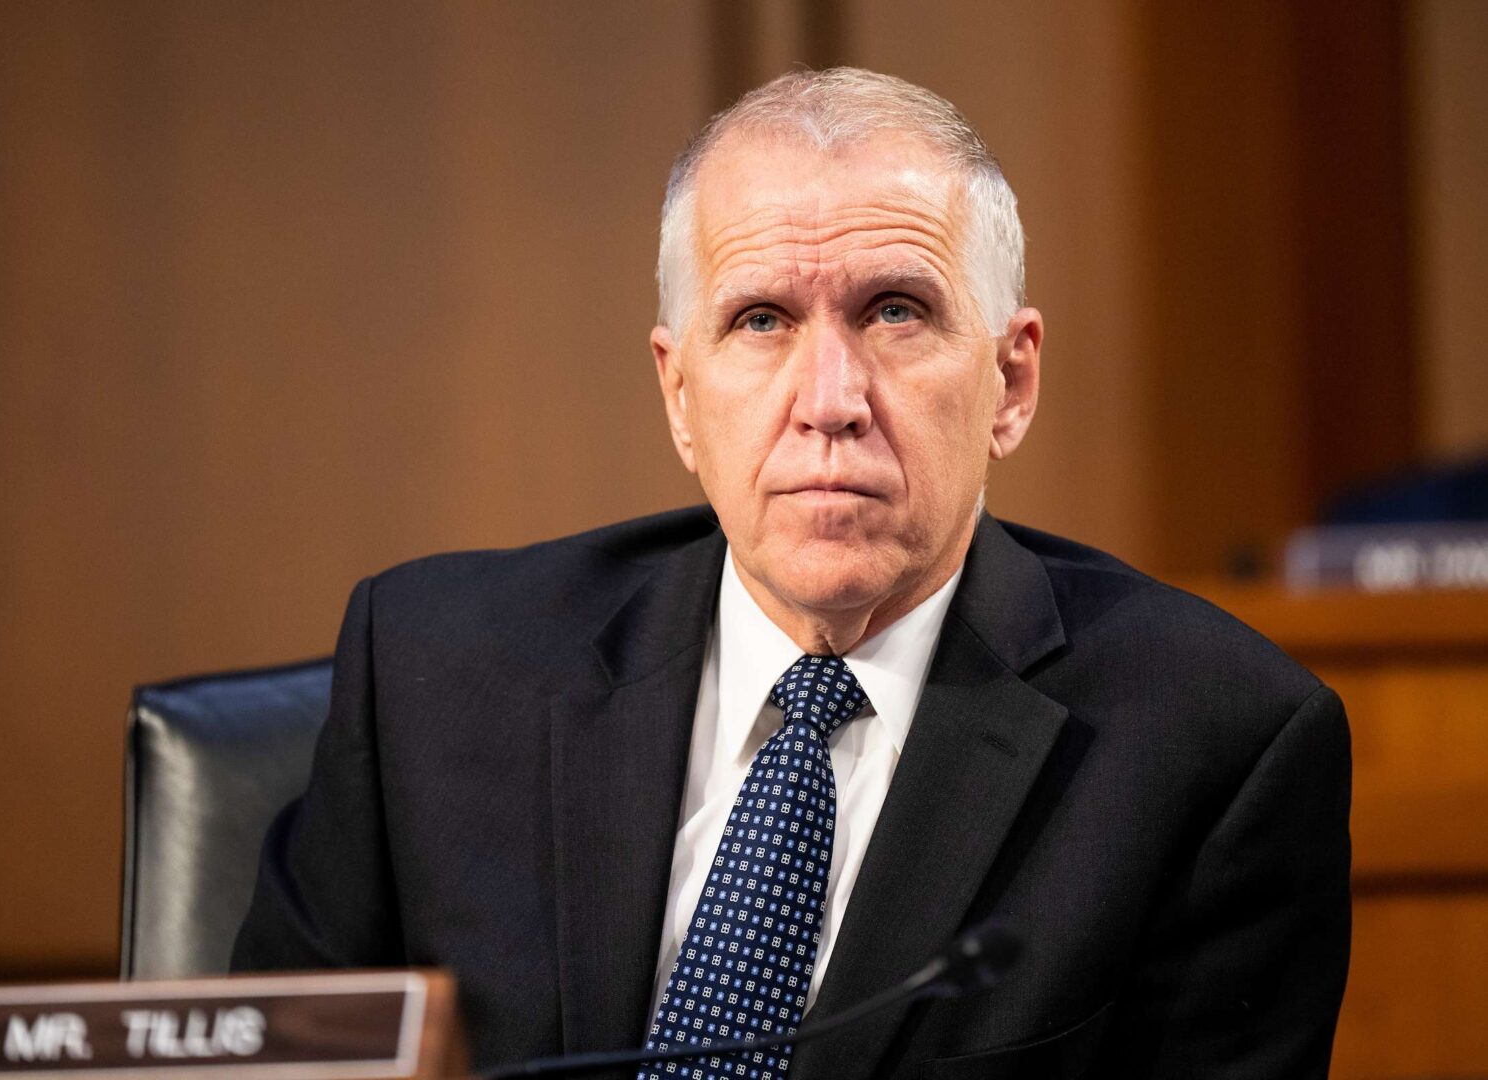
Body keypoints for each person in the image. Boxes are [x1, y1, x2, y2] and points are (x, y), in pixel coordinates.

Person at [233, 68, 1351, 1078]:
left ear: (1011, 383)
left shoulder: (1213, 745)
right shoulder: (432, 673)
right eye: (762, 319)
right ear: (680, 395)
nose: (830, 400)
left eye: (896, 312)